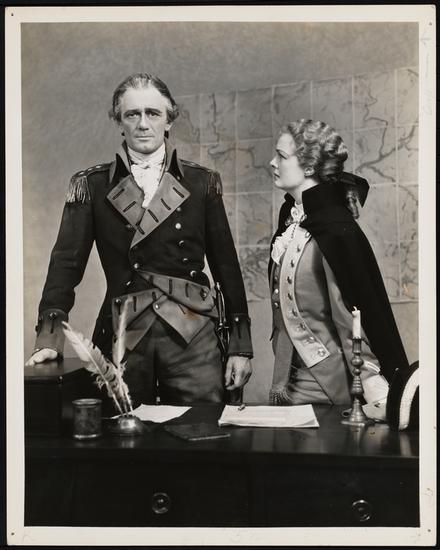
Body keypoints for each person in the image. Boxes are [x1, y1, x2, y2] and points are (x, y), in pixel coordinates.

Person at [25, 73, 253, 406]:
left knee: (202, 432)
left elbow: (227, 267)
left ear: (169, 120)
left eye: (153, 113)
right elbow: (65, 266)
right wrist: (49, 338)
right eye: (132, 114)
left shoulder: (202, 182)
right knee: (122, 432)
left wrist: (240, 347)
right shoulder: (91, 186)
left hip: (195, 338)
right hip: (124, 335)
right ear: (119, 122)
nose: (143, 124)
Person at [268, 119, 409, 410]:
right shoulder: (292, 220)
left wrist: (375, 389)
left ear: (309, 167)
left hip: (325, 387)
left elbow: (351, 317)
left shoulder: (334, 229)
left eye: (281, 156)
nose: (272, 162)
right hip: (284, 380)